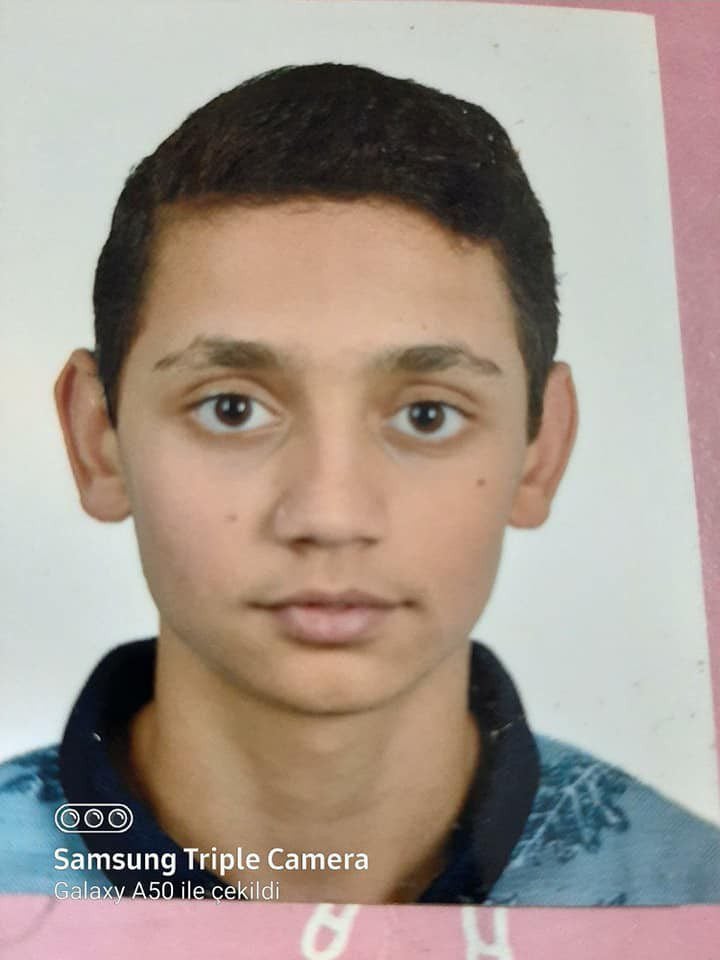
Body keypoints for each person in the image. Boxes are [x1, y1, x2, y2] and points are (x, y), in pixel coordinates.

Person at [1, 63, 718, 906]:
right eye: (232, 408)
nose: (330, 515)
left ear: (541, 448)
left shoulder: (695, 893)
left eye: (427, 415)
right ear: (98, 440)